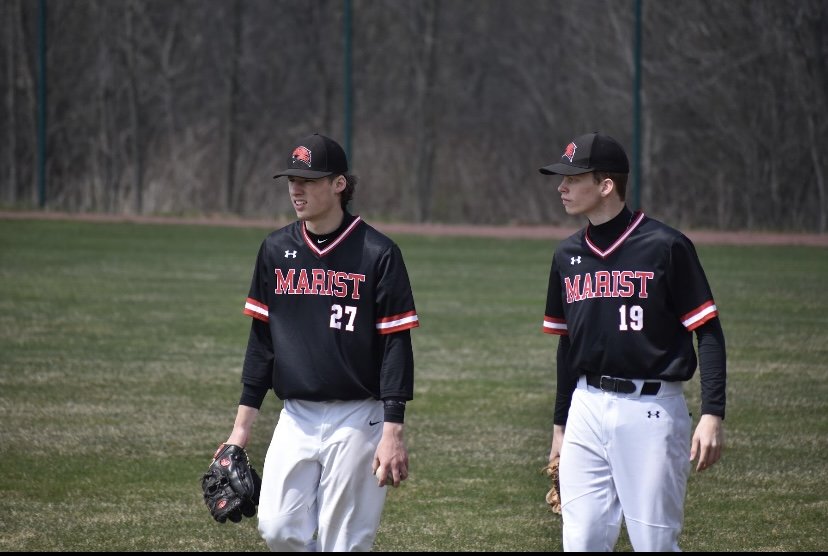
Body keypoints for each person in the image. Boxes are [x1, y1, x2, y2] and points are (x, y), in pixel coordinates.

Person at [222, 133, 419, 552]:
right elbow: (262, 345)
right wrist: (240, 432)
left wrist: (393, 430)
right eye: (292, 179)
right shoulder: (276, 250)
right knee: (277, 528)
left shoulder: (378, 252)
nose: (297, 188)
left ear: (339, 184)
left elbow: (396, 346)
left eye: (309, 180)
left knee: (344, 542)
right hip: (296, 416)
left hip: (358, 417)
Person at [537, 131, 726, 552]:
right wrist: (560, 426)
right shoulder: (567, 254)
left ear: (606, 186)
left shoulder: (666, 245)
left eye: (573, 178)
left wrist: (712, 413)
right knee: (581, 542)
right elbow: (567, 347)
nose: (561, 186)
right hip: (585, 405)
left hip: (652, 409)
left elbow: (707, 331)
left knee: (653, 544)